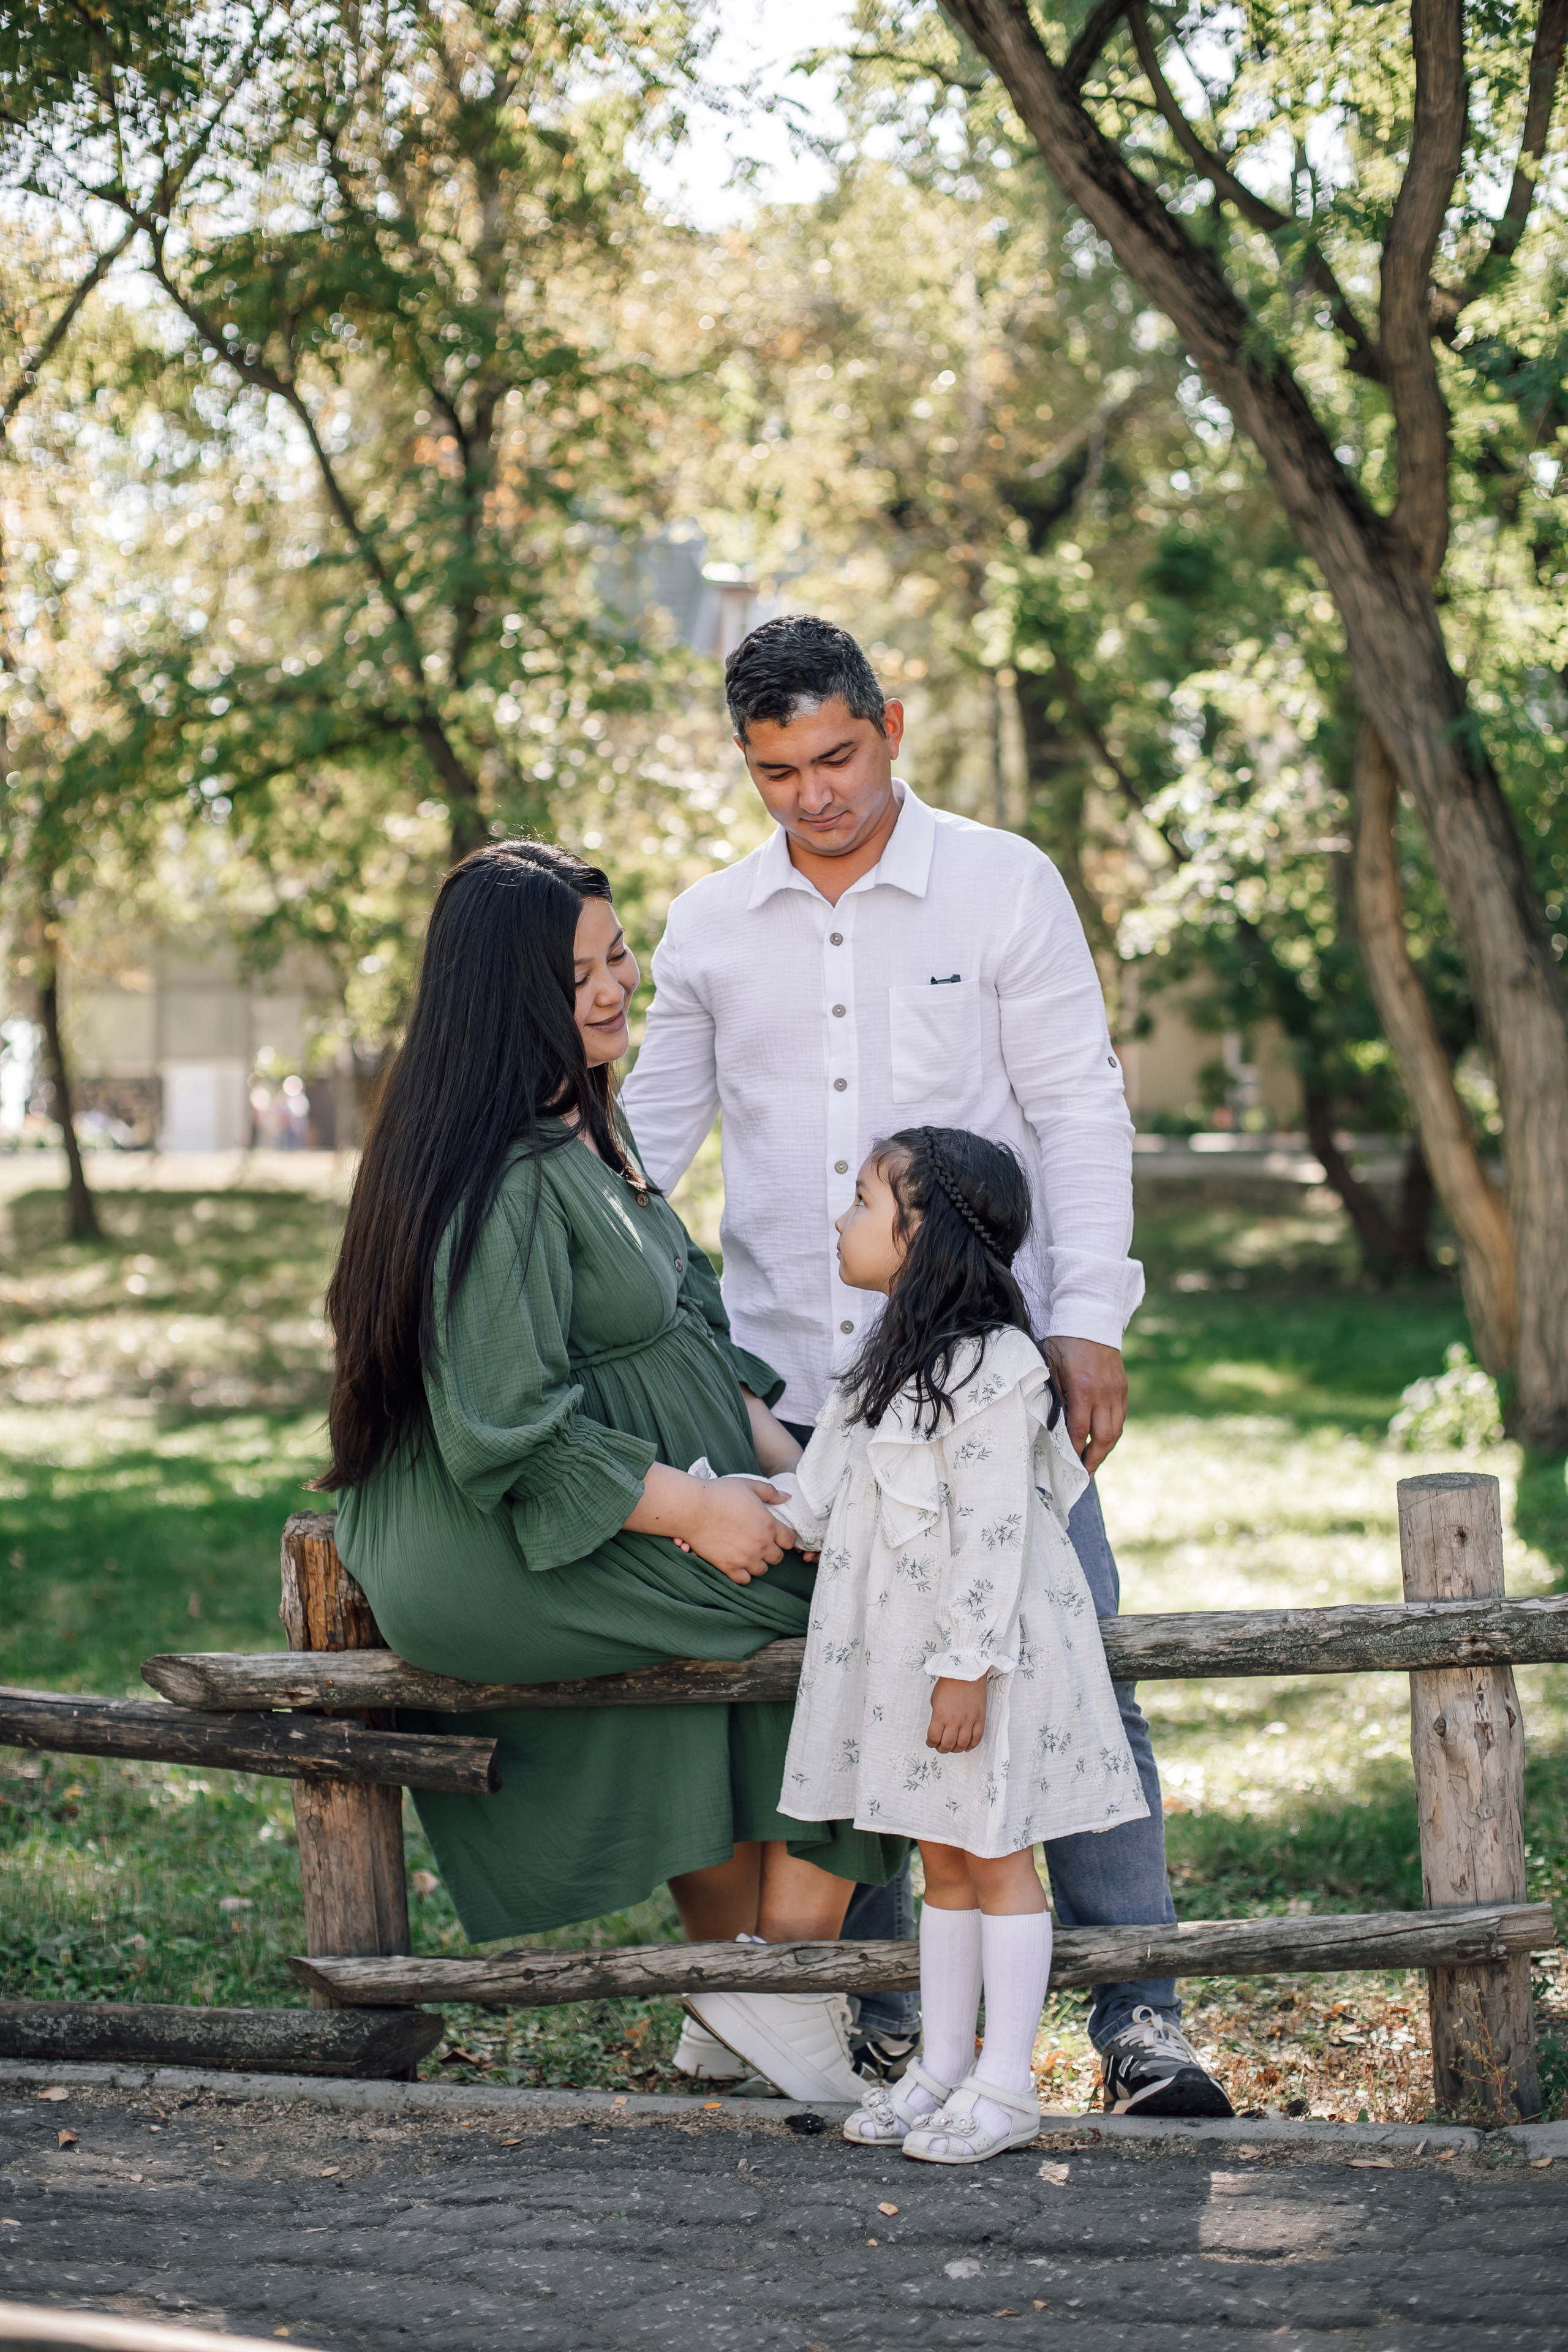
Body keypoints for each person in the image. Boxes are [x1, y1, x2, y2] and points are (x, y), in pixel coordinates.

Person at [620, 613, 1232, 2119]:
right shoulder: (706, 928)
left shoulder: (1000, 885)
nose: (812, 796)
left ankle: (1135, 2021)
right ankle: (888, 2016)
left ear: (889, 723)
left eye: (836, 756)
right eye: (776, 772)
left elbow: (1080, 1114)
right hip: (792, 1387)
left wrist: (1087, 1319)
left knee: (1061, 1657)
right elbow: (643, 1148)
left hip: (984, 1381)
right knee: (845, 1687)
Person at [317, 839, 904, 2102]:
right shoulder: (497, 1176)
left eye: (615, 953)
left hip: (617, 1491)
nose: (608, 987)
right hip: (498, 1534)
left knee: (839, 1587)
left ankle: (732, 2000)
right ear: (504, 994)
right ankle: (780, 1981)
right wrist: (691, 1511)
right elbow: (502, 1427)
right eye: (572, 971)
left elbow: (686, 1329)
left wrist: (795, 1480)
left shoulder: (585, 1122)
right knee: (873, 1617)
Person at [768, 1128, 1148, 2162]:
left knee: (996, 1858)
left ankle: (1006, 2082)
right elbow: (816, 1496)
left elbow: (995, 1531)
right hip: (903, 1660)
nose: (843, 1220)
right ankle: (942, 2064)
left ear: (921, 1226)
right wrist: (724, 1508)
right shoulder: (885, 1359)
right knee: (942, 1864)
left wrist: (967, 1669)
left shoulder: (998, 1365)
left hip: (973, 1661)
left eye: (861, 1201)